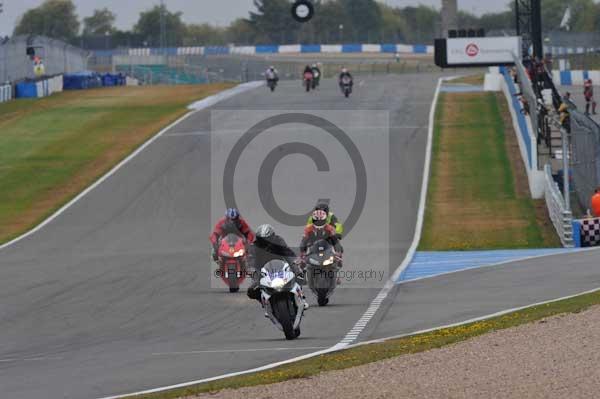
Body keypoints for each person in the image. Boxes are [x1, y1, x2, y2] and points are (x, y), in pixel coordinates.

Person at [247, 224, 308, 309]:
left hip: (280, 266)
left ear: (272, 237)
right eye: (262, 239)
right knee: (251, 290)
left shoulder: (278, 241)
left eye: (267, 239)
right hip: (262, 270)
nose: (265, 242)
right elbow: (251, 259)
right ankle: (264, 301)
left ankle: (301, 299)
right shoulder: (254, 246)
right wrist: (251, 269)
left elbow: (287, 253)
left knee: (299, 276)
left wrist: (296, 264)